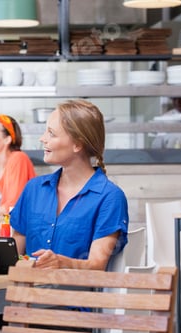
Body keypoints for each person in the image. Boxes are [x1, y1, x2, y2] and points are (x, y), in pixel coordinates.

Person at [10, 99, 129, 271]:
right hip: (29, 292)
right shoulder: (33, 189)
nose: (42, 139)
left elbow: (96, 265)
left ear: (77, 144)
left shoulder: (110, 197)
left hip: (76, 296)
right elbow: (14, 255)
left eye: (51, 133)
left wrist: (62, 263)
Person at [0, 114, 36, 215]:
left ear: (7, 140)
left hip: (20, 228)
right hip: (1, 225)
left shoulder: (18, 158)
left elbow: (12, 206)